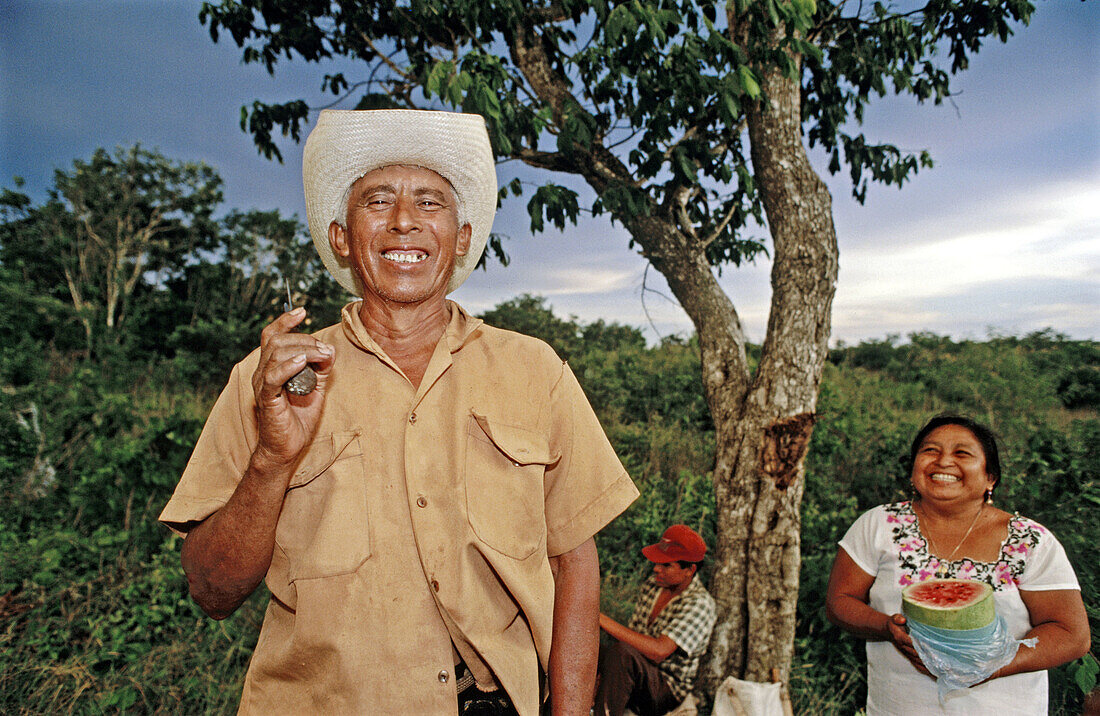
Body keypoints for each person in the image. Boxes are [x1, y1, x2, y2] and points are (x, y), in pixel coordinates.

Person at [158, 109, 640, 715]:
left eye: (432, 203)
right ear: (341, 237)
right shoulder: (266, 383)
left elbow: (574, 563)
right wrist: (272, 460)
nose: (405, 222)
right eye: (378, 201)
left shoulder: (535, 370)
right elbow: (211, 591)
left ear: (462, 237)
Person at [825, 414, 1090, 714]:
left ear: (991, 477)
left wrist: (993, 666)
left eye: (962, 453)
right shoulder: (877, 525)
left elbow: (1072, 634)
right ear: (913, 470)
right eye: (930, 451)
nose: (943, 462)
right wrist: (886, 627)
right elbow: (839, 601)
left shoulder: (1030, 541)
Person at [595, 525, 717, 716]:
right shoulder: (654, 585)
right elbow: (632, 637)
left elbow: (659, 651)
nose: (656, 569)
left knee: (622, 655)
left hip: (666, 688)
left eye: (666, 565)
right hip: (637, 670)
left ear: (690, 570)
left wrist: (599, 619)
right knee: (591, 649)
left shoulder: (700, 604)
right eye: (658, 562)